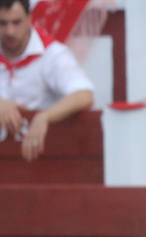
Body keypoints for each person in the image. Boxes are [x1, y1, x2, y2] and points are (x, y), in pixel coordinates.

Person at [0, 0, 93, 162]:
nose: (10, 31)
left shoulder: (52, 54)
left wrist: (44, 117)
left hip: (39, 159)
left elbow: (84, 95)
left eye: (16, 22)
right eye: (2, 23)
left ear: (29, 19)